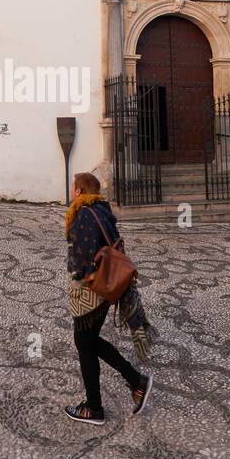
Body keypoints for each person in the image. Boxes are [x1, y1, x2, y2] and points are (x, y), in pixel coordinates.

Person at [63, 172, 154, 426]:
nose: (71, 191)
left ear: (79, 191)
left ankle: (109, 399)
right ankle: (123, 390)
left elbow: (84, 254)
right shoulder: (102, 211)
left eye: (73, 187)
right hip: (106, 287)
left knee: (85, 340)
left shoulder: (83, 215)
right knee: (87, 342)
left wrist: (80, 277)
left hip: (92, 290)